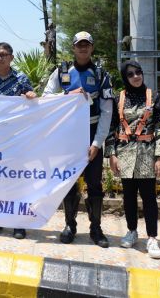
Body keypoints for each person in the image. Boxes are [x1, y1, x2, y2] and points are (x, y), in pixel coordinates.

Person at [43, 31, 113, 247]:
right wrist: (67, 96)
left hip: (92, 132)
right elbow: (45, 97)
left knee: (94, 183)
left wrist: (96, 143)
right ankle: (70, 225)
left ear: (92, 48)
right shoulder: (62, 71)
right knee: (69, 183)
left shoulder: (101, 74)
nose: (83, 48)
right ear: (73, 47)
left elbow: (107, 111)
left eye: (87, 45)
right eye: (79, 45)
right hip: (68, 135)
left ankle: (96, 228)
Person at [105, 60, 160, 259]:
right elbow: (112, 128)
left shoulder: (154, 96)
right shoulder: (118, 98)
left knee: (149, 198)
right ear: (125, 77)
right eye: (130, 74)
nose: (136, 76)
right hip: (125, 155)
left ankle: (152, 238)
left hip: (147, 155)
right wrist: (112, 155)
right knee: (129, 197)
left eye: (138, 72)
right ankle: (132, 230)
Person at [0, 42, 36, 240]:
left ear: (11, 57)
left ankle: (18, 223)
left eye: (3, 54)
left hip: (15, 140)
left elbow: (33, 105)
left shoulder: (21, 79)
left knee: (16, 182)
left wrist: (31, 96)